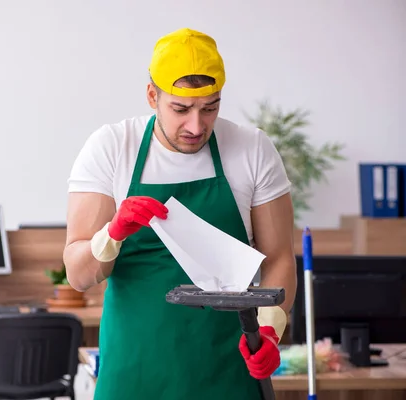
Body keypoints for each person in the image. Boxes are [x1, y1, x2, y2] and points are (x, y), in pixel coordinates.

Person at [63, 27, 297, 399]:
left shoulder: (251, 148)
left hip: (228, 367)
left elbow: (280, 257)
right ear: (152, 95)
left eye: (210, 108)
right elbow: (78, 275)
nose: (196, 126)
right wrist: (112, 233)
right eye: (181, 109)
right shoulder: (112, 147)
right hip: (135, 368)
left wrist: (269, 328)